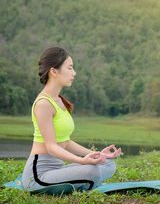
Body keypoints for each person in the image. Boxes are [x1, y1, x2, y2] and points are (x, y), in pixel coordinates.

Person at [22, 47, 121, 191]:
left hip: (56, 170)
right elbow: (51, 147)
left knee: (107, 163)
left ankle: (84, 182)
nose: (74, 73)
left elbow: (65, 142)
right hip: (38, 177)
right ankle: (87, 182)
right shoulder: (43, 104)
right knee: (91, 171)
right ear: (54, 71)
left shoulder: (59, 101)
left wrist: (96, 155)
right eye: (69, 68)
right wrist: (81, 160)